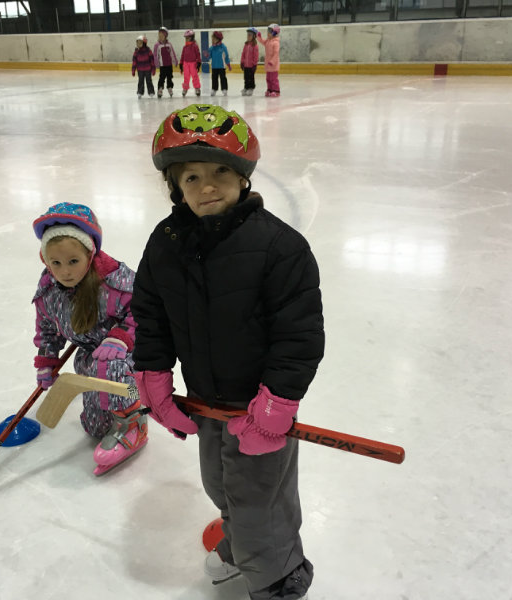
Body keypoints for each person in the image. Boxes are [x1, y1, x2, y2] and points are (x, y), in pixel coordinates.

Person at [131, 104, 324, 600]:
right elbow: (151, 315)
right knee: (220, 485)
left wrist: (276, 405)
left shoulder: (279, 248)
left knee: (260, 502)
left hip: (258, 404)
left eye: (220, 172)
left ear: (242, 176)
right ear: (176, 187)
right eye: (191, 177)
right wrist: (153, 378)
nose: (207, 187)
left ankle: (280, 579)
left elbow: (299, 334)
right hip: (205, 401)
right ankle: (241, 548)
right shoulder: (166, 243)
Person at [32, 202, 147, 476]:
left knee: (116, 374)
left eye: (73, 261)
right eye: (56, 263)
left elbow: (144, 311)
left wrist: (120, 337)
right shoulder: (49, 290)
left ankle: (135, 419)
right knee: (95, 428)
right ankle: (115, 413)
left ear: (90, 253)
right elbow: (46, 327)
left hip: (130, 355)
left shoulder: (115, 282)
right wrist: (47, 361)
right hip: (90, 356)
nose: (65, 271)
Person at [153, 26, 178, 98]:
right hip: (162, 65)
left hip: (169, 64)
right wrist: (156, 63)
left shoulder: (169, 44)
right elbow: (155, 55)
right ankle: (160, 88)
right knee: (162, 77)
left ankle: (169, 87)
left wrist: (175, 61)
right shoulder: (157, 45)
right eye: (159, 35)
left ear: (165, 36)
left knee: (170, 77)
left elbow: (172, 53)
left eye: (162, 36)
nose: (160, 37)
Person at [257, 23, 281, 97]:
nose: (267, 33)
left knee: (274, 79)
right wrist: (259, 37)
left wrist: (272, 61)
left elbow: (276, 53)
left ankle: (276, 91)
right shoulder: (268, 41)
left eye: (269, 31)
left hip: (273, 65)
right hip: (268, 65)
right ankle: (270, 89)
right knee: (268, 79)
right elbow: (263, 42)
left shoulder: (276, 43)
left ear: (274, 33)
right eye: (268, 31)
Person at [208, 31, 231, 96]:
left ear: (218, 39)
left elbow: (226, 56)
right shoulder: (211, 48)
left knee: (223, 78)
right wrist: (207, 55)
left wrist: (228, 64)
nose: (212, 40)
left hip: (221, 66)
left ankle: (224, 89)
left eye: (213, 39)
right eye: (212, 38)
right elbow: (209, 57)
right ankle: (214, 89)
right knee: (214, 78)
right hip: (214, 66)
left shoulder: (223, 47)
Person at [179, 29, 202, 97]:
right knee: (186, 77)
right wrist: (181, 63)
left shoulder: (195, 46)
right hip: (186, 64)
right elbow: (182, 55)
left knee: (195, 76)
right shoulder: (185, 47)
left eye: (188, 38)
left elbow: (198, 54)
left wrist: (199, 62)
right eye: (186, 38)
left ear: (192, 38)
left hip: (193, 64)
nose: (186, 39)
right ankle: (185, 88)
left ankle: (197, 88)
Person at [132, 34, 156, 99]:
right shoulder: (136, 52)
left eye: (140, 42)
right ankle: (140, 92)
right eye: (137, 42)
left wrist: (153, 69)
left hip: (148, 69)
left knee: (149, 81)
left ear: (144, 43)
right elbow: (134, 62)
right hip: (140, 70)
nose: (138, 44)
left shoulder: (148, 51)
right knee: (140, 81)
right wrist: (133, 70)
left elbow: (152, 61)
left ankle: (151, 92)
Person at [240, 27, 260, 96]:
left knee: (251, 77)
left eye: (250, 35)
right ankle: (246, 87)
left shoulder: (255, 46)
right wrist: (242, 62)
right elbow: (243, 54)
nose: (248, 36)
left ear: (254, 36)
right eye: (247, 35)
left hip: (251, 65)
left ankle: (251, 88)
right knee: (246, 77)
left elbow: (256, 56)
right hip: (246, 65)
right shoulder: (246, 45)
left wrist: (254, 64)